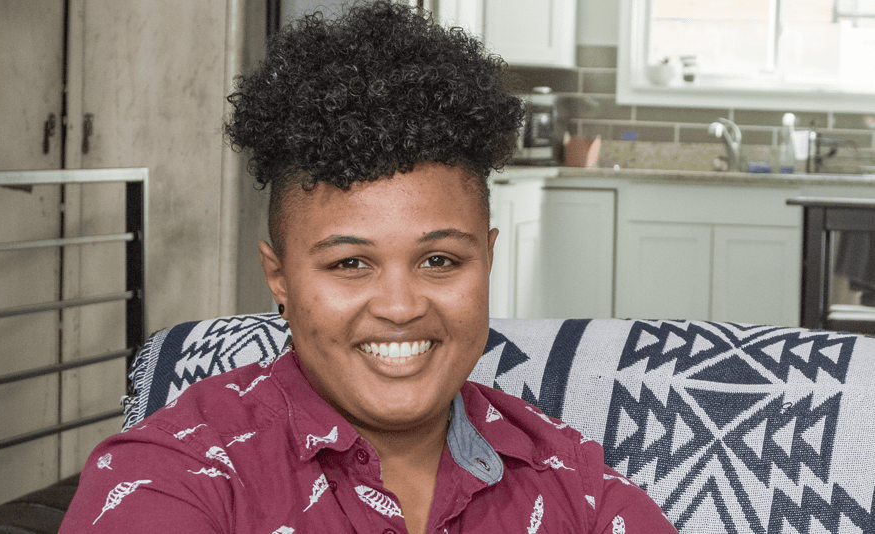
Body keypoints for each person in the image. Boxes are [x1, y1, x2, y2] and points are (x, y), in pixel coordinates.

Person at [59, 2, 678, 532]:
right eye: (351, 263)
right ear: (279, 277)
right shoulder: (176, 473)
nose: (401, 305)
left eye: (439, 260)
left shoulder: (574, 485)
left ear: (487, 259)